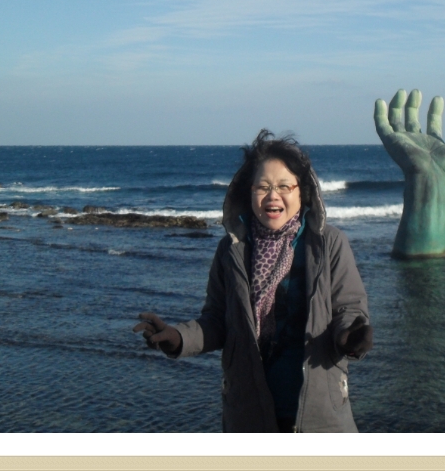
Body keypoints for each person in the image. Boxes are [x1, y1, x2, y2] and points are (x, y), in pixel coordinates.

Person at [133, 130, 373, 432]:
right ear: (249, 193)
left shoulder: (328, 244)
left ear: (302, 192)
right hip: (248, 413)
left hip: (322, 414)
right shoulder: (231, 250)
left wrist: (350, 337)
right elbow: (218, 321)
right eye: (263, 187)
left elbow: (348, 310)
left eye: (284, 186)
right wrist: (178, 337)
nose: (273, 196)